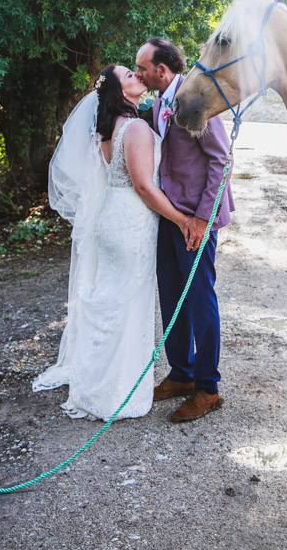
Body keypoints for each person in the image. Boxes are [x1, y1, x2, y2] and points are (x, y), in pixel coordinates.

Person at [32, 65, 190, 421]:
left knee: (110, 300)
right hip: (130, 222)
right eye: (130, 76)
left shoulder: (107, 131)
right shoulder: (135, 129)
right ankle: (118, 394)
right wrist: (181, 220)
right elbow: (144, 186)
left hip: (111, 217)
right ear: (120, 92)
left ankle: (96, 387)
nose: (139, 76)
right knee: (128, 304)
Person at [135, 37, 234, 422]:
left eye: (143, 67)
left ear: (162, 70)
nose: (139, 73)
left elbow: (221, 160)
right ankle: (181, 373)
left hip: (195, 219)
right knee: (172, 294)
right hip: (168, 214)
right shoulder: (159, 101)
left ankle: (207, 388)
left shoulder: (196, 98)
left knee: (199, 298)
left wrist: (201, 219)